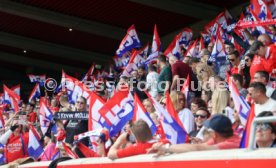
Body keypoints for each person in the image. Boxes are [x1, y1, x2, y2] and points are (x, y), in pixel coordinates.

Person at [148, 114, 241, 156]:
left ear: (214, 133)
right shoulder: (222, 136)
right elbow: (198, 146)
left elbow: (198, 148)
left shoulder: (231, 143)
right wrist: (165, 148)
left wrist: (166, 148)